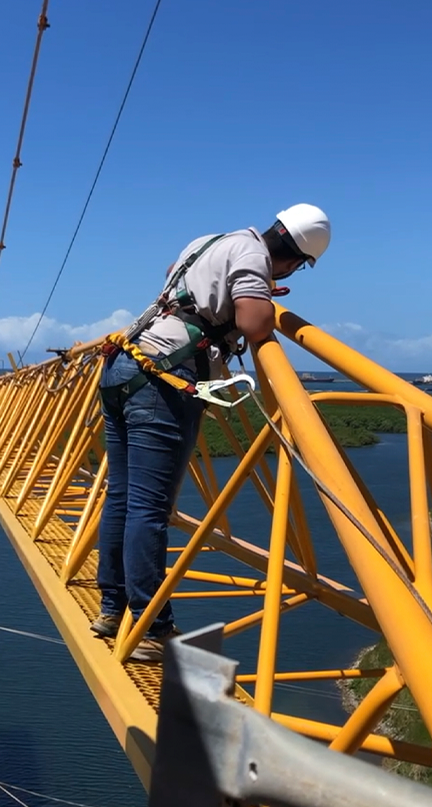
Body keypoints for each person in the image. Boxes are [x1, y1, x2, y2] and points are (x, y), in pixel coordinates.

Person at [92, 204, 331, 661]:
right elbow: (254, 323)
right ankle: (149, 625)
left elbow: (174, 275)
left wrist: (245, 286)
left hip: (125, 365)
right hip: (163, 382)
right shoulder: (252, 257)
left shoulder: (211, 241)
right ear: (295, 260)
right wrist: (256, 291)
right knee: (148, 508)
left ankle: (111, 608)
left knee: (122, 498)